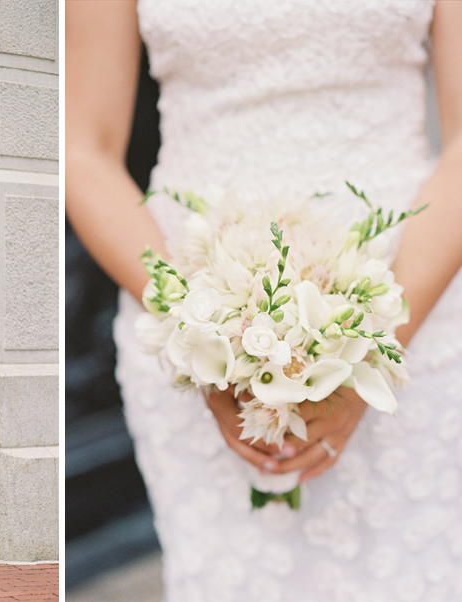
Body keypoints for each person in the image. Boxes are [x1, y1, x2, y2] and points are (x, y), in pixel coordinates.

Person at [67, 1, 462, 600]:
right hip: (189, 308)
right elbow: (82, 147)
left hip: (415, 309)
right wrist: (204, 337)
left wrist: (372, 354)